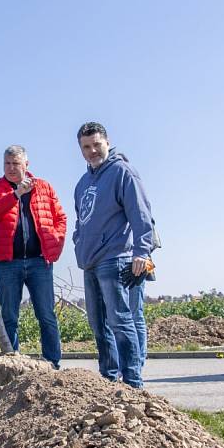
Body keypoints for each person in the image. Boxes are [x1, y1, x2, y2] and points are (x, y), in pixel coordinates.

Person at [73, 121, 154, 388]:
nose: (92, 150)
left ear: (107, 142)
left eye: (97, 144)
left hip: (116, 257)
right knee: (98, 325)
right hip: (90, 262)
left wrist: (142, 251)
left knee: (121, 320)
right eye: (86, 146)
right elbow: (80, 221)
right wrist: (78, 243)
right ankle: (108, 380)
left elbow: (141, 215)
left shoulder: (122, 172)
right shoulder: (82, 183)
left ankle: (132, 382)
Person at [0, 145, 67, 368]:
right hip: (8, 262)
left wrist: (55, 244)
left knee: (46, 314)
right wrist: (15, 194)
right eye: (7, 164)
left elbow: (60, 218)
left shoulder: (44, 187)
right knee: (9, 315)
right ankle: (13, 363)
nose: (11, 168)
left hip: (40, 262)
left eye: (15, 164)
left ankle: (53, 363)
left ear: (26, 165)